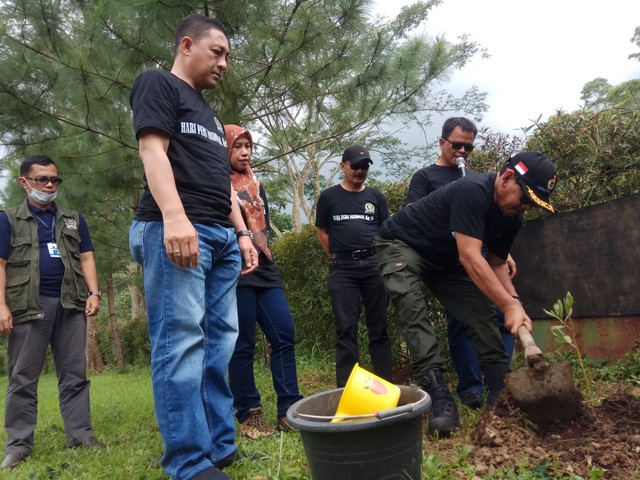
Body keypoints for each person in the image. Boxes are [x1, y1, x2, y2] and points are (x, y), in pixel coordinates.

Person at [128, 15, 258, 480]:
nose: (224, 62)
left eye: (227, 55)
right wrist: (175, 217)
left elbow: (220, 182)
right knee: (181, 343)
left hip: (220, 237)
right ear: (187, 44)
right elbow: (152, 152)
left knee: (219, 344)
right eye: (217, 51)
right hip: (180, 233)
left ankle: (219, 448)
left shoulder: (205, 112)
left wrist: (241, 233)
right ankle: (187, 461)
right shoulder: (158, 84)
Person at [375, 150, 557, 437]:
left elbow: (496, 263)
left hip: (445, 259)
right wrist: (508, 304)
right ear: (507, 177)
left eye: (533, 203)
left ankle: (500, 392)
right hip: (402, 244)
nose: (526, 207)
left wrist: (515, 304)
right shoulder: (473, 191)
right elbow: (472, 257)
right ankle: (438, 395)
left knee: (481, 311)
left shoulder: (512, 217)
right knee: (412, 305)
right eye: (525, 198)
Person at [0, 155, 104, 470]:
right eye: (42, 179)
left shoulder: (72, 218)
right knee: (22, 378)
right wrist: (1, 305)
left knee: (74, 375)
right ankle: (18, 446)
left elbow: (86, 256)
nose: (49, 185)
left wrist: (94, 292)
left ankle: (81, 436)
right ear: (24, 182)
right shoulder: (8, 218)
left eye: (54, 180)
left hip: (71, 303)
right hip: (28, 306)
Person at [406, 117, 515, 409]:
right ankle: (470, 388)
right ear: (442, 143)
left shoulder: (476, 181)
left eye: (469, 147)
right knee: (460, 320)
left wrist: (503, 253)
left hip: (478, 255)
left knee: (496, 313)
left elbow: (491, 225)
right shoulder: (425, 177)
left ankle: (502, 381)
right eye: (457, 145)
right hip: (449, 260)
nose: (463, 152)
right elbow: (415, 218)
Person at [224, 124, 303, 439]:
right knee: (243, 344)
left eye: (248, 146)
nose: (244, 152)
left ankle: (289, 409)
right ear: (224, 149)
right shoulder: (217, 182)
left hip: (265, 267)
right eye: (237, 146)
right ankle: (249, 413)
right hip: (235, 269)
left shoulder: (256, 183)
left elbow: (262, 228)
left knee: (284, 333)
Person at [315, 145, 393, 388]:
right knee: (346, 329)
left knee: (378, 327)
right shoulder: (328, 197)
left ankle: (385, 386)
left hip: (373, 266)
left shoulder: (376, 197)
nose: (360, 171)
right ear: (342, 166)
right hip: (342, 269)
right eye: (355, 166)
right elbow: (322, 231)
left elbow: (385, 231)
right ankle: (347, 389)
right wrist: (339, 256)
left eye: (364, 166)